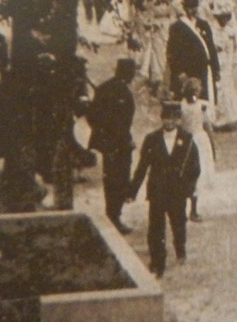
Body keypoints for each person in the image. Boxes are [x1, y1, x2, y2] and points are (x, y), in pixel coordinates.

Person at [128, 100, 201, 278]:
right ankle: (157, 261)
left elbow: (195, 168)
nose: (169, 122)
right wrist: (132, 191)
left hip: (177, 192)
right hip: (157, 191)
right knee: (155, 228)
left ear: (179, 120)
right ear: (161, 119)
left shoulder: (188, 140)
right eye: (166, 118)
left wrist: (189, 188)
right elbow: (142, 166)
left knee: (178, 223)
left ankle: (180, 249)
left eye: (173, 119)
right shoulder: (151, 139)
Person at [87, 58, 138, 233]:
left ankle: (114, 214)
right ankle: (114, 215)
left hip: (108, 143)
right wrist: (124, 139)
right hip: (118, 144)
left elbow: (92, 116)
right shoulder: (121, 92)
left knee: (112, 178)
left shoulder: (104, 88)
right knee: (118, 179)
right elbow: (119, 123)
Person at [166, 0, 220, 104]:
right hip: (189, 70)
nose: (192, 10)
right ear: (185, 8)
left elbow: (211, 48)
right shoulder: (177, 27)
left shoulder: (203, 25)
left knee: (206, 101)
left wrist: (216, 68)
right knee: (190, 102)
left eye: (194, 7)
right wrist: (179, 72)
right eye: (189, 7)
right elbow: (172, 53)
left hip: (204, 70)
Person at [178, 77, 216, 221]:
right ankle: (192, 210)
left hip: (194, 140)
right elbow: (208, 127)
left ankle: (192, 209)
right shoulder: (197, 106)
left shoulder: (185, 106)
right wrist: (212, 144)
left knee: (194, 175)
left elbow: (207, 126)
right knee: (192, 174)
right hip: (195, 141)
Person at [209, 0, 237, 127]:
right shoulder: (213, 30)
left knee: (229, 88)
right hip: (217, 59)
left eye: (225, 18)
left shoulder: (231, 31)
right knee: (219, 88)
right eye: (221, 18)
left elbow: (235, 47)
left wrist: (235, 61)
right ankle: (219, 118)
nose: (223, 20)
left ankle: (230, 118)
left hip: (229, 60)